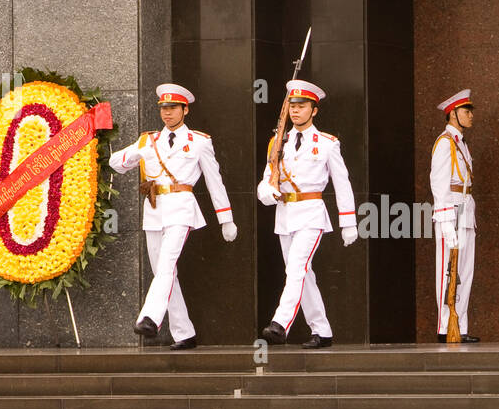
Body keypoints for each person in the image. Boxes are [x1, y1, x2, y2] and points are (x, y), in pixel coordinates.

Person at [108, 83, 236, 349]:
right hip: (154, 208)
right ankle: (184, 333)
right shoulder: (148, 140)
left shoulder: (199, 142)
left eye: (173, 108)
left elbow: (215, 181)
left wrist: (226, 218)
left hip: (181, 206)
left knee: (166, 264)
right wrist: (136, 153)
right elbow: (115, 164)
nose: (167, 113)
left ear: (185, 110)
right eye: (164, 108)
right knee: (164, 272)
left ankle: (150, 318)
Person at [257, 79, 357, 349]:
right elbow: (266, 181)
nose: (296, 110)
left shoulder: (326, 143)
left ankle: (281, 322)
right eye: (292, 105)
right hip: (285, 215)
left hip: (311, 214)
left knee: (297, 267)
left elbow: (342, 182)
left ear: (315, 110)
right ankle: (322, 330)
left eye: (302, 106)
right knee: (302, 273)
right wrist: (268, 193)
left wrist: (348, 222)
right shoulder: (279, 143)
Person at [430, 89, 479, 343]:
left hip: (466, 212)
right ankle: (444, 326)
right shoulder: (445, 143)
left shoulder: (460, 143)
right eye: (466, 111)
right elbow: (439, 186)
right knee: (447, 273)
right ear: (452, 114)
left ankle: (459, 326)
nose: (470, 115)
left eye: (470, 111)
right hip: (451, 214)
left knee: (465, 273)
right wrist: (446, 221)